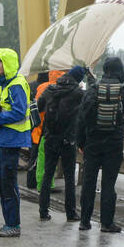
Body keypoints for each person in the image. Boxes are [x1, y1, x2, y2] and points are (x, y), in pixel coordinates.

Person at [76, 55, 124, 233]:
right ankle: (107, 223)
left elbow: (81, 117)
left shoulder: (93, 89)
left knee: (88, 182)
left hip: (92, 142)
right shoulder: (123, 90)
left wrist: (80, 141)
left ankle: (84, 221)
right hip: (114, 144)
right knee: (109, 184)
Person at [0, 48, 32, 238]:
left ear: (7, 63)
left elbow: (19, 112)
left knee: (8, 183)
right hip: (4, 138)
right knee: (3, 182)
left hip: (11, 139)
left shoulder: (16, 85)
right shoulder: (7, 84)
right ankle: (9, 223)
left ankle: (13, 225)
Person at [36, 65, 84, 222]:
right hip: (68, 140)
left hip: (50, 137)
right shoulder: (78, 93)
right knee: (69, 177)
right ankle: (71, 213)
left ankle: (43, 211)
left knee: (47, 174)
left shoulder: (51, 89)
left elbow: (39, 106)